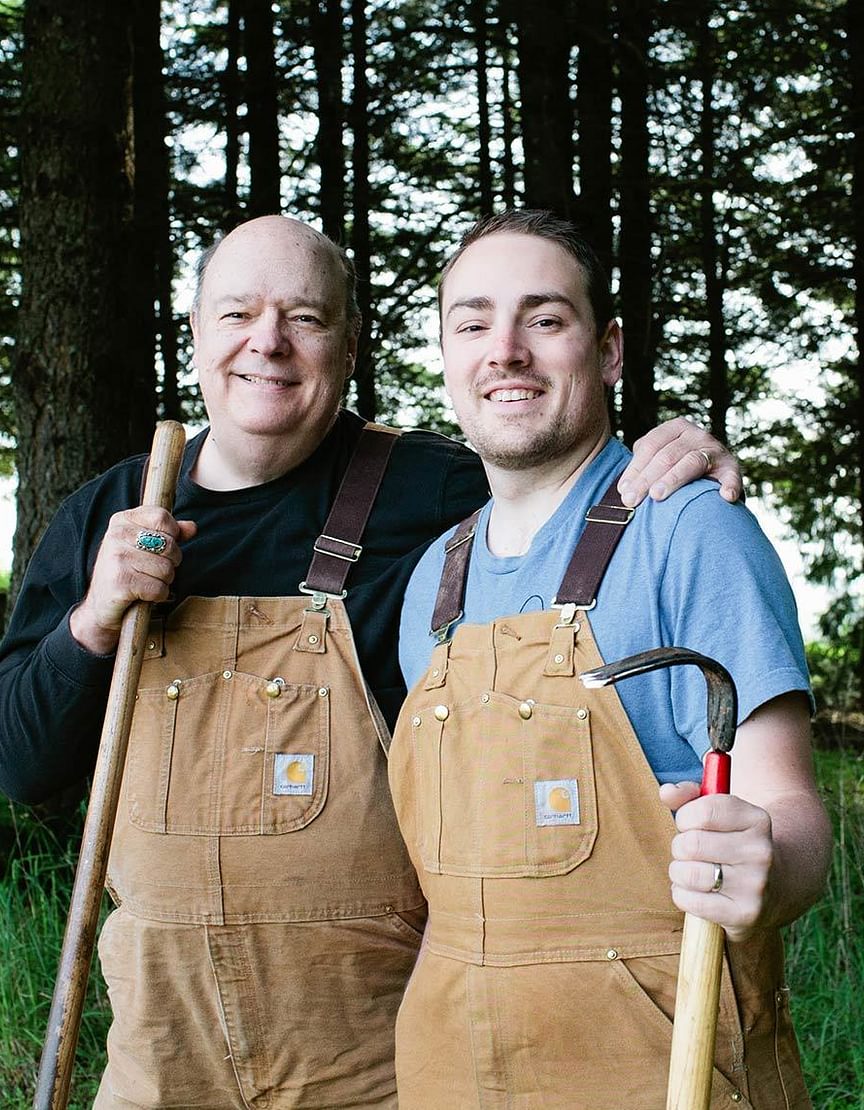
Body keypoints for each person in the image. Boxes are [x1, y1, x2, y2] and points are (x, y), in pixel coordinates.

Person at [0, 213, 742, 1110]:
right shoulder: (106, 513)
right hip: (162, 1056)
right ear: (196, 329)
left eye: (306, 319)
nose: (267, 343)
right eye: (237, 313)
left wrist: (673, 454)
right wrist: (92, 622)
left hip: (375, 1063)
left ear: (349, 347)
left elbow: (562, 468)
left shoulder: (434, 488)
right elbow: (23, 764)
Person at [390, 209, 832, 1109]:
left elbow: (791, 812)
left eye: (545, 319)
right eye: (473, 323)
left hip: (654, 1076)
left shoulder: (691, 530)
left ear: (610, 350)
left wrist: (766, 866)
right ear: (446, 354)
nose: (505, 349)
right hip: (446, 1078)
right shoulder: (431, 579)